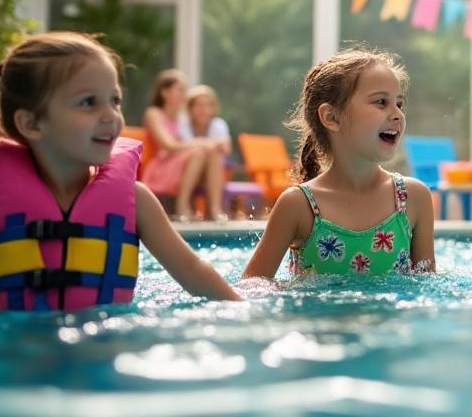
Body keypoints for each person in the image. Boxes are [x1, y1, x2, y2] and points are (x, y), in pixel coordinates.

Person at [0, 32, 240, 309]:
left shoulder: (136, 201)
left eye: (114, 100)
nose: (111, 115)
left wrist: (241, 310)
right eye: (88, 102)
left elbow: (191, 270)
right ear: (31, 124)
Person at [242, 48, 434, 278]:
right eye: (381, 102)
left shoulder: (412, 198)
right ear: (331, 118)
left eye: (399, 104)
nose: (397, 115)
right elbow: (253, 285)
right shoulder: (298, 205)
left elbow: (426, 288)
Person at [141, 69, 224, 220]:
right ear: (165, 92)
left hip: (180, 164)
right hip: (162, 168)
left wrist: (208, 146)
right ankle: (182, 205)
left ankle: (214, 209)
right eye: (180, 90)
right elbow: (169, 145)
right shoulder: (153, 114)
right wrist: (203, 142)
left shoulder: (181, 119)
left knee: (211, 152)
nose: (185, 95)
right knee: (200, 152)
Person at [182, 85, 231, 156]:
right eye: (199, 105)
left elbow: (226, 148)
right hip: (190, 161)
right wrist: (207, 144)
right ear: (190, 108)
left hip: (213, 161)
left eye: (208, 105)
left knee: (214, 154)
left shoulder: (218, 124)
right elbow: (181, 148)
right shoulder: (183, 124)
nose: (204, 110)